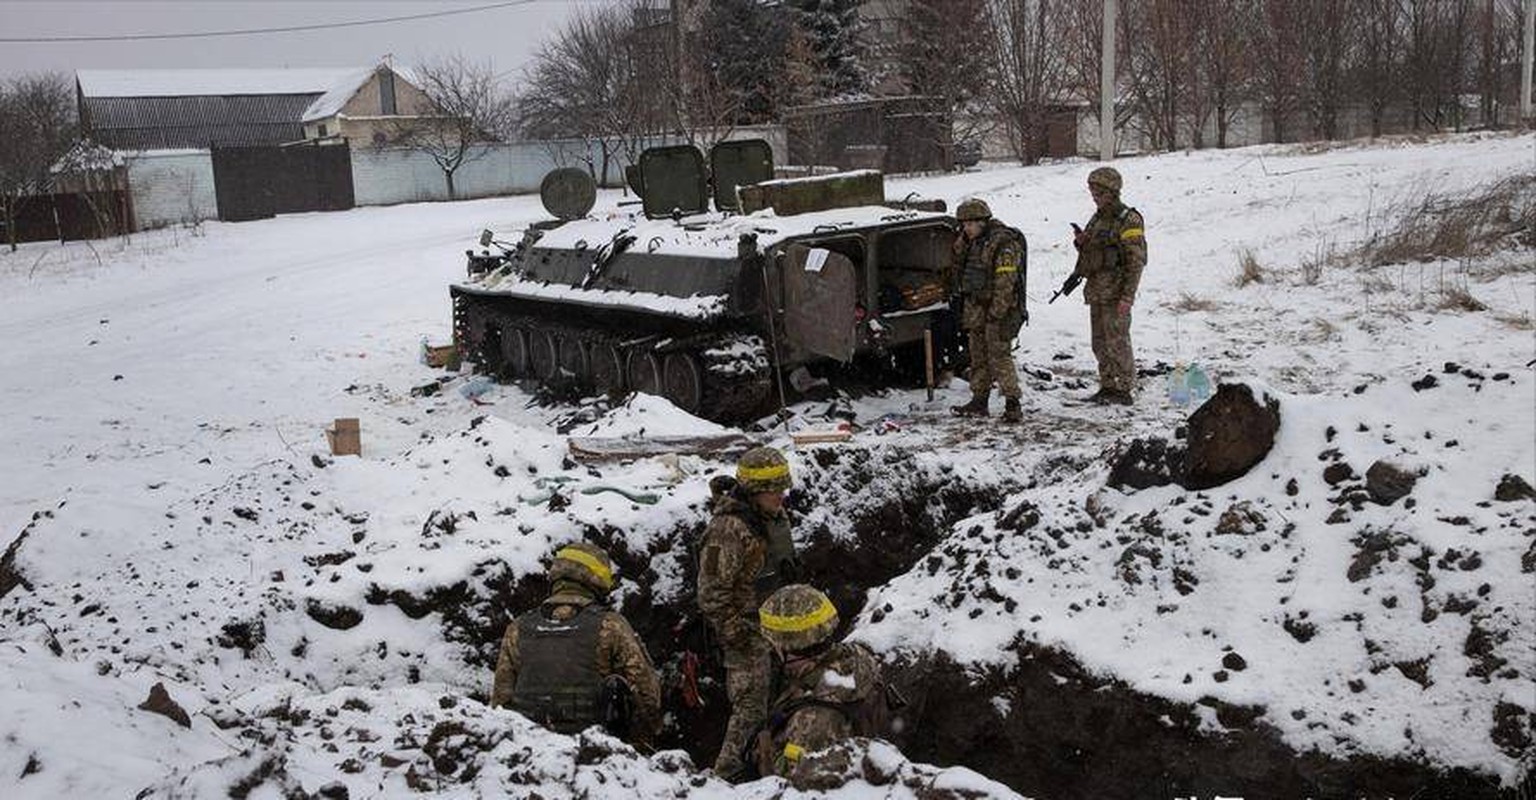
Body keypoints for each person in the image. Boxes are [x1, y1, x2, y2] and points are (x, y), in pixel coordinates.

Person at [696, 446, 801, 780]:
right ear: (755, 492)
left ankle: (773, 771)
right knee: (750, 713)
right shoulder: (728, 530)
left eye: (783, 489)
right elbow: (711, 593)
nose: (781, 497)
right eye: (774, 491)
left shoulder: (770, 518)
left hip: (778, 630)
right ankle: (723, 780)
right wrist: (736, 634)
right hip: (746, 634)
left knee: (783, 706)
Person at [490, 542, 661, 747]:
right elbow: (647, 694)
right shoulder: (611, 625)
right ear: (597, 578)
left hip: (529, 749)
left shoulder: (518, 627)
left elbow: (500, 701)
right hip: (596, 750)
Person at [751, 584, 882, 781]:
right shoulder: (857, 656)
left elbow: (792, 784)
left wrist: (765, 752)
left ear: (788, 646)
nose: (773, 651)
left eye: (774, 645)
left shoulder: (811, 719)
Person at [1070, 166, 1147, 405]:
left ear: (1112, 192)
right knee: (1100, 342)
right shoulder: (1097, 218)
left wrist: (1128, 297)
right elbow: (1095, 251)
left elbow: (1136, 261)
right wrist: (1082, 242)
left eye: (1099, 193)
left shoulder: (1128, 219)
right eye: (1093, 192)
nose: (1095, 197)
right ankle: (1107, 384)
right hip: (1097, 290)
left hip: (1116, 291)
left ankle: (1124, 387)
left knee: (1118, 341)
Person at [948, 198, 1027, 423]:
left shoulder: (1003, 244)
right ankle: (979, 400)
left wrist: (997, 313)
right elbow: (959, 262)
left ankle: (1013, 403)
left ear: (983, 222)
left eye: (970, 224)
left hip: (997, 311)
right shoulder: (972, 242)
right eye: (964, 225)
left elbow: (1006, 282)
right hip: (976, 308)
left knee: (999, 357)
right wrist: (963, 239)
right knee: (978, 356)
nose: (967, 228)